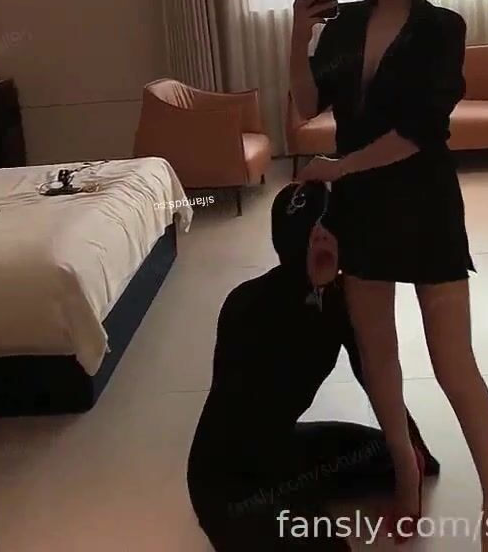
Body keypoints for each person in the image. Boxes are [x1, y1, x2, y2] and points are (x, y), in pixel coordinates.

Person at [290, 0, 488, 551]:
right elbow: (305, 106)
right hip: (360, 210)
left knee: (453, 362)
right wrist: (299, 35)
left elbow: (420, 132)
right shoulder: (345, 26)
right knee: (379, 358)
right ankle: (405, 474)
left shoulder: (442, 28)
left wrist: (339, 167)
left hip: (423, 205)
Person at [187, 179, 440, 551]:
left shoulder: (339, 302)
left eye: (330, 229)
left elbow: (375, 377)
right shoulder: (247, 304)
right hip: (230, 480)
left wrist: (410, 456)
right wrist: (303, 507)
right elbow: (247, 415)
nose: (322, 239)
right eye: (309, 233)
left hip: (283, 447)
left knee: (385, 452)